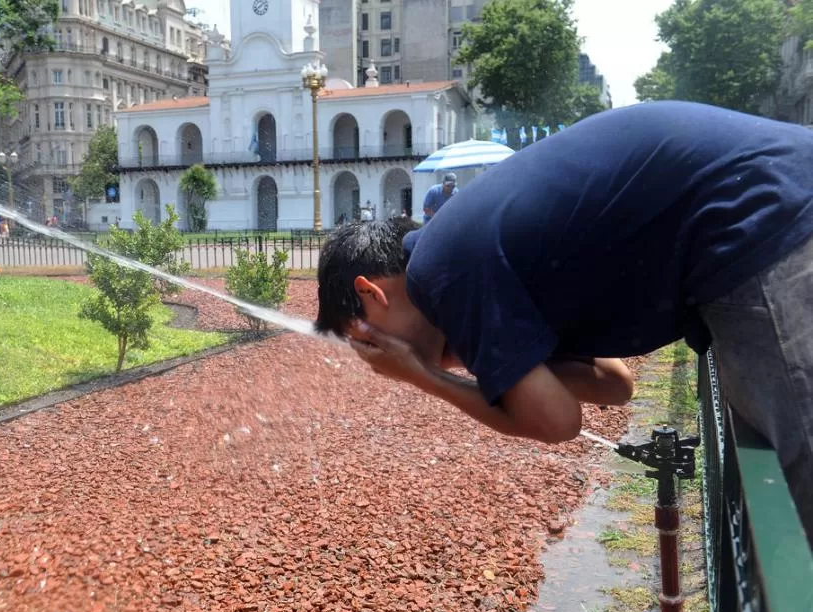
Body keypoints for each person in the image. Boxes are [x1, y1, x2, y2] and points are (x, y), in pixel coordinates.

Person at [314, 100, 813, 545]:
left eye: (365, 341)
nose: (374, 357)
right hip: (766, 202)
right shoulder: (463, 260)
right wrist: (480, 361)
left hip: (761, 220)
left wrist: (426, 377)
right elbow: (615, 384)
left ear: (370, 294)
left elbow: (558, 423)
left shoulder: (441, 269)